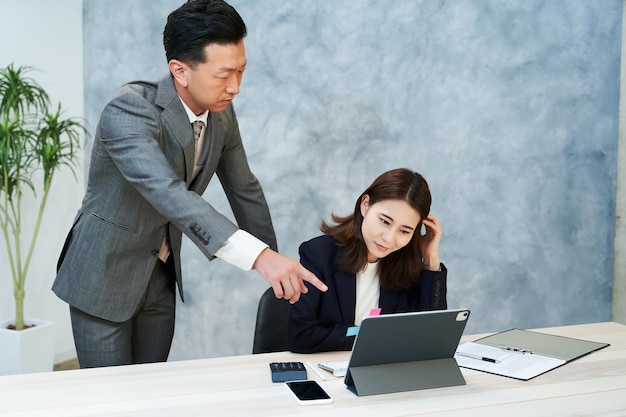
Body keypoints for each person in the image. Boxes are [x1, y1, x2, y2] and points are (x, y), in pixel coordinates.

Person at [52, 0, 326, 368]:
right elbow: (167, 192)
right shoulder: (129, 111)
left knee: (152, 390)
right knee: (110, 398)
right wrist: (259, 259)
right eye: (223, 74)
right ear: (180, 70)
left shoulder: (221, 115)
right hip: (103, 275)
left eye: (242, 72)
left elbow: (245, 189)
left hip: (160, 274)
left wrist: (274, 264)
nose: (236, 87)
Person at [287, 168, 447, 353]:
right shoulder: (318, 254)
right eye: (385, 221)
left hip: (384, 372)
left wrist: (430, 260)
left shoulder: (405, 262)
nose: (389, 238)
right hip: (326, 370)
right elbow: (301, 336)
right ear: (365, 205)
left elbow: (431, 336)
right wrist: (368, 334)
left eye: (404, 231)